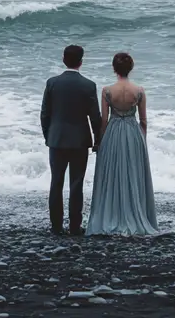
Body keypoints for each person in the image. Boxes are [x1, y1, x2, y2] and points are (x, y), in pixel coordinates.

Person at [85, 51, 157, 235]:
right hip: (132, 132)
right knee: (132, 172)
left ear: (114, 68)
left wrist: (99, 141)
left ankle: (112, 213)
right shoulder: (139, 91)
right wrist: (142, 140)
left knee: (112, 173)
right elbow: (144, 121)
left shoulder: (107, 91)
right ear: (130, 68)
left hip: (114, 132)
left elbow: (103, 120)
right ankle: (135, 212)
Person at [40, 44, 102, 236]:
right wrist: (98, 140)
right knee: (77, 183)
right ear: (81, 62)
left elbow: (45, 114)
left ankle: (56, 226)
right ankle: (75, 226)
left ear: (63, 60)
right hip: (79, 141)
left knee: (56, 182)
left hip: (56, 140)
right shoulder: (88, 85)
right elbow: (95, 117)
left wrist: (48, 135)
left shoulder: (52, 83)